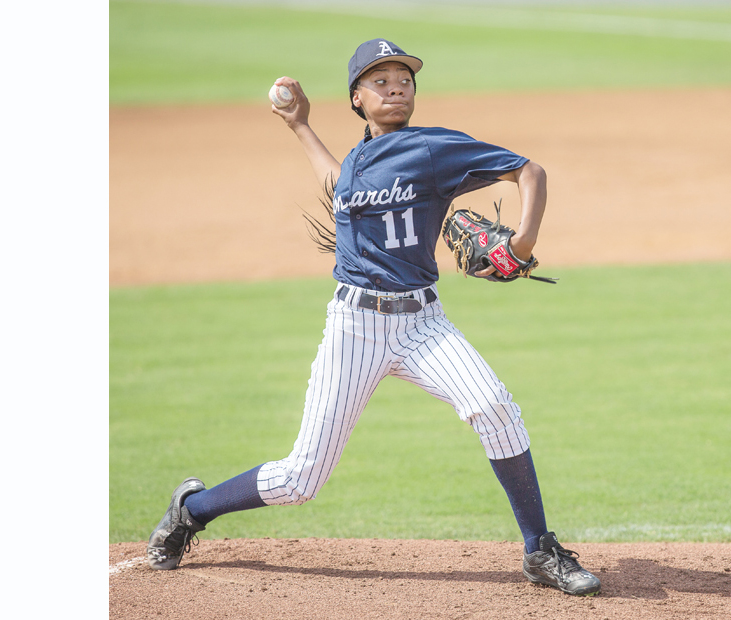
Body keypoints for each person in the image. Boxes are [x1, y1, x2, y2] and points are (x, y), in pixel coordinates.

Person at [146, 38, 601, 597]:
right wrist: (299, 126)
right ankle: (192, 509)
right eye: (380, 82)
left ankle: (539, 550)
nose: (396, 89)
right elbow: (340, 188)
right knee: (301, 478)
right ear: (357, 99)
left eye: (404, 81)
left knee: (495, 407)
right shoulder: (360, 159)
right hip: (354, 330)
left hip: (422, 325)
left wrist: (524, 241)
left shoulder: (432, 149)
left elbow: (529, 171)